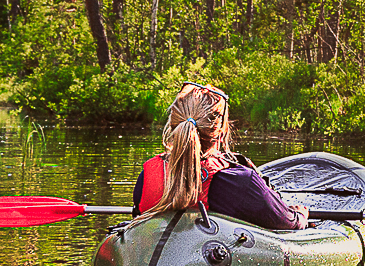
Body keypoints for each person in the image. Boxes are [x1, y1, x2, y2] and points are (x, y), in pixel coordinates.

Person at [131, 82, 312, 230]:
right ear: (220, 131)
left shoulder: (147, 176)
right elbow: (288, 223)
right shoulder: (241, 183)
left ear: (173, 126)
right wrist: (301, 214)